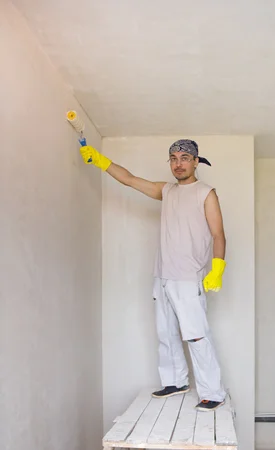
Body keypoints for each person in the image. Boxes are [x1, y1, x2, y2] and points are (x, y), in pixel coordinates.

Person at [80, 139, 227, 411]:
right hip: (163, 275)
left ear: (196, 161)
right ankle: (176, 381)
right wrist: (100, 161)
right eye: (173, 158)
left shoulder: (206, 193)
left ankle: (213, 393)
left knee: (196, 335)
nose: (178, 163)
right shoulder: (166, 191)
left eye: (184, 157)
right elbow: (129, 179)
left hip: (188, 277)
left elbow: (218, 234)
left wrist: (217, 268)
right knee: (166, 332)